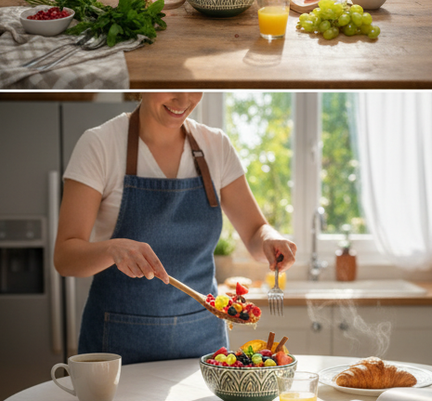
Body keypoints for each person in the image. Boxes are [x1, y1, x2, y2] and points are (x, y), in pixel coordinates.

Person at [53, 94, 296, 364]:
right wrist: (112, 248)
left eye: (194, 86)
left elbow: (255, 231)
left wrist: (270, 239)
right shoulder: (101, 144)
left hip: (203, 344)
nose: (183, 99)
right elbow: (65, 258)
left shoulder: (216, 146)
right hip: (117, 347)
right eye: (170, 84)